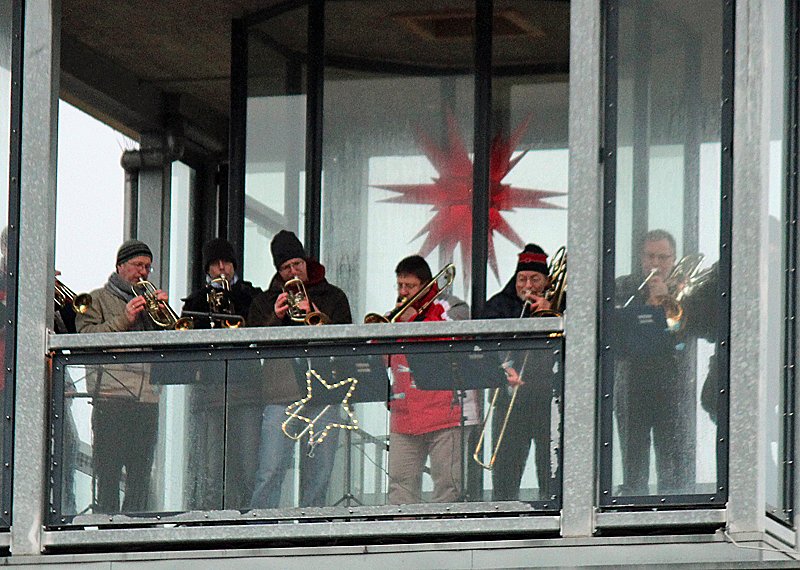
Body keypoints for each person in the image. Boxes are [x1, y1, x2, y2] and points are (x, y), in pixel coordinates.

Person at [248, 230, 352, 508]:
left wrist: (315, 311)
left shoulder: (334, 296)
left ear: (306, 262)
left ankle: (311, 529)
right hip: (280, 396)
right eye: (286, 267)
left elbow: (345, 342)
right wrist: (276, 317)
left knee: (320, 471)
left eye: (297, 264)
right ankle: (262, 528)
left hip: (324, 395)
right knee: (270, 470)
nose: (293, 272)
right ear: (278, 271)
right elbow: (254, 345)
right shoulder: (263, 301)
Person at [76, 239, 168, 513]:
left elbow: (168, 343)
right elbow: (85, 337)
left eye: (148, 267)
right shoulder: (96, 299)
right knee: (108, 472)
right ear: (120, 266)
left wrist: (162, 315)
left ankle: (135, 531)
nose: (143, 272)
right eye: (138, 265)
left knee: (141, 474)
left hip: (147, 400)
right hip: (110, 399)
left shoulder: (151, 306)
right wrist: (124, 320)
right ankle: (106, 529)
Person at [181, 238, 263, 509]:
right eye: (215, 264)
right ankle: (212, 517)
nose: (222, 269)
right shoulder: (195, 300)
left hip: (248, 390)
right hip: (211, 392)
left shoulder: (251, 296)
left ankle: (248, 516)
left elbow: (260, 326)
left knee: (249, 463)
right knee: (212, 465)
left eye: (226, 263)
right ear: (207, 269)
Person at [613, 229, 693, 495]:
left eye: (663, 257)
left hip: (670, 383)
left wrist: (666, 299)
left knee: (670, 456)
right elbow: (617, 329)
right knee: (633, 455)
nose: (656, 264)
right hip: (631, 382)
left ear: (673, 259)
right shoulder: (623, 287)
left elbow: (683, 335)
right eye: (650, 257)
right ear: (640, 257)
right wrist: (649, 302)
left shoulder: (685, 290)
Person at [387, 255, 470, 505]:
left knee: (447, 484)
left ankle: (442, 540)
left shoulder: (451, 307)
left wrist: (411, 320)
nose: (403, 292)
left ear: (425, 285)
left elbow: (448, 340)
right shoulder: (395, 316)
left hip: (443, 412)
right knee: (400, 486)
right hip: (403, 415)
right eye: (400, 285)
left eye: (409, 286)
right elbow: (382, 358)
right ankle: (399, 537)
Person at [481, 244, 557, 501]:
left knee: (551, 470)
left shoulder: (559, 303)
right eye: (522, 279)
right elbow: (484, 344)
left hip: (550, 401)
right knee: (505, 470)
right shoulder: (498, 305)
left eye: (535, 279)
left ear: (546, 281)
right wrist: (503, 368)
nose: (527, 285)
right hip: (510, 400)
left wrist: (549, 313)